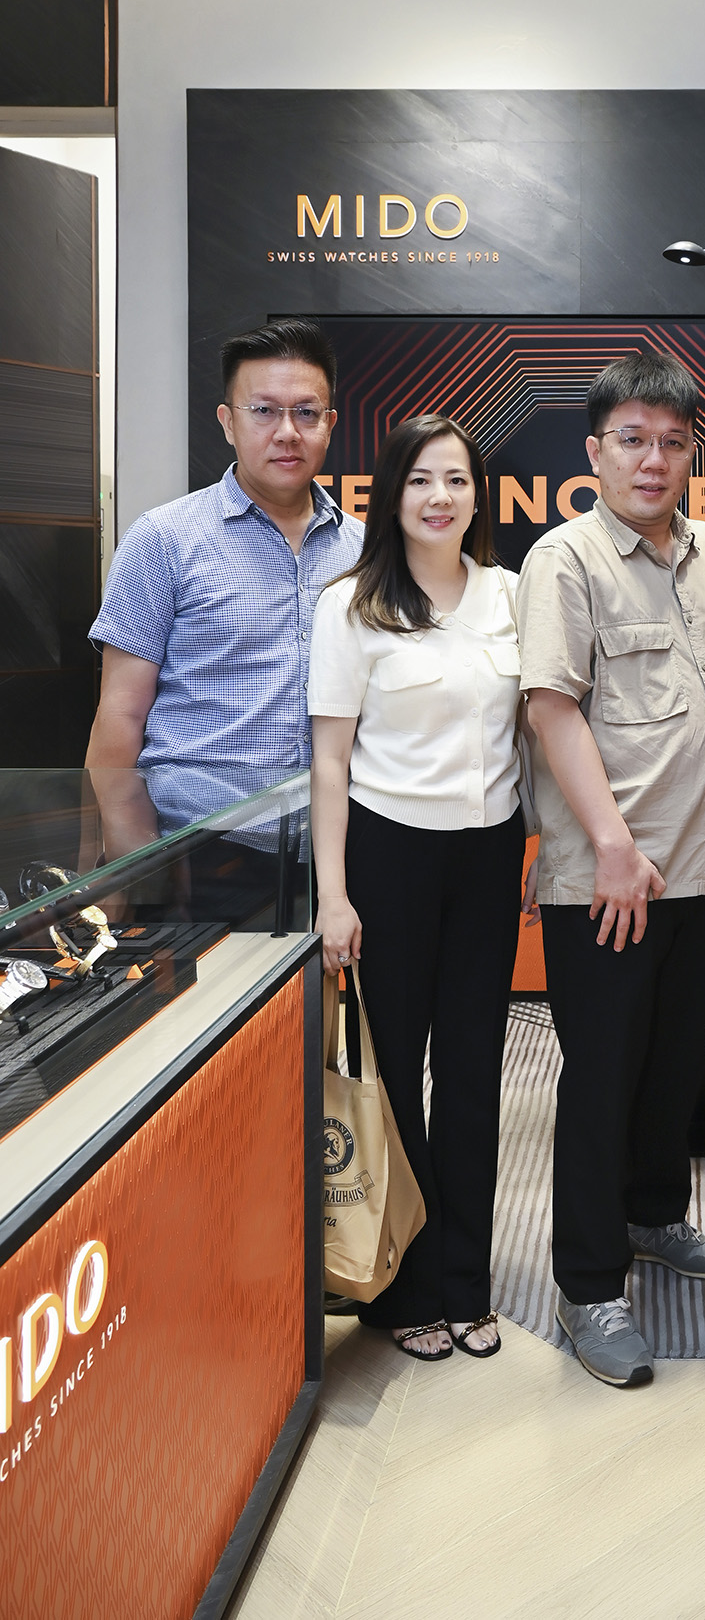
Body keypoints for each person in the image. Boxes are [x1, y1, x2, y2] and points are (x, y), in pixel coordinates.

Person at [518, 350, 705, 1389]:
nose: (652, 459)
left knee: (674, 1065)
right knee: (601, 1078)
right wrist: (613, 846)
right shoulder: (564, 560)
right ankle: (587, 1283)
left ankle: (654, 1215)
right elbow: (550, 707)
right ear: (595, 451)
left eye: (671, 442)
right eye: (632, 440)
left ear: (690, 452)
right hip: (612, 881)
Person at [308, 413, 531, 1362]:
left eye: (457, 479)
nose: (440, 497)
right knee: (395, 1073)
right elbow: (329, 762)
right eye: (419, 480)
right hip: (388, 855)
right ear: (390, 495)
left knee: (475, 1068)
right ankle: (403, 1288)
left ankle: (466, 1280)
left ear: (479, 495)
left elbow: (536, 731)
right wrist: (334, 896)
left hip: (488, 853)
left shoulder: (513, 595)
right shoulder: (350, 605)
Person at [85, 319, 363, 911]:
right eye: (263, 411)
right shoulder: (164, 539)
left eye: (306, 413)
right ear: (227, 421)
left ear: (330, 424)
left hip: (338, 855)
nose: (287, 432)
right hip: (201, 854)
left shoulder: (365, 551)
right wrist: (138, 867)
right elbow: (120, 714)